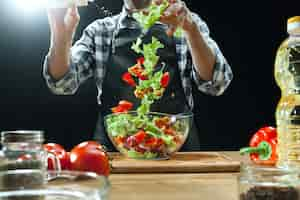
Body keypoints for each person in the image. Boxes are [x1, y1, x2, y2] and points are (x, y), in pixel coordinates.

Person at [43, 0, 233, 151]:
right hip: (114, 151)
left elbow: (217, 82)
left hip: (177, 150)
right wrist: (61, 35)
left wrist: (191, 30)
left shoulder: (188, 24)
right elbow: (62, 84)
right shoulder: (100, 31)